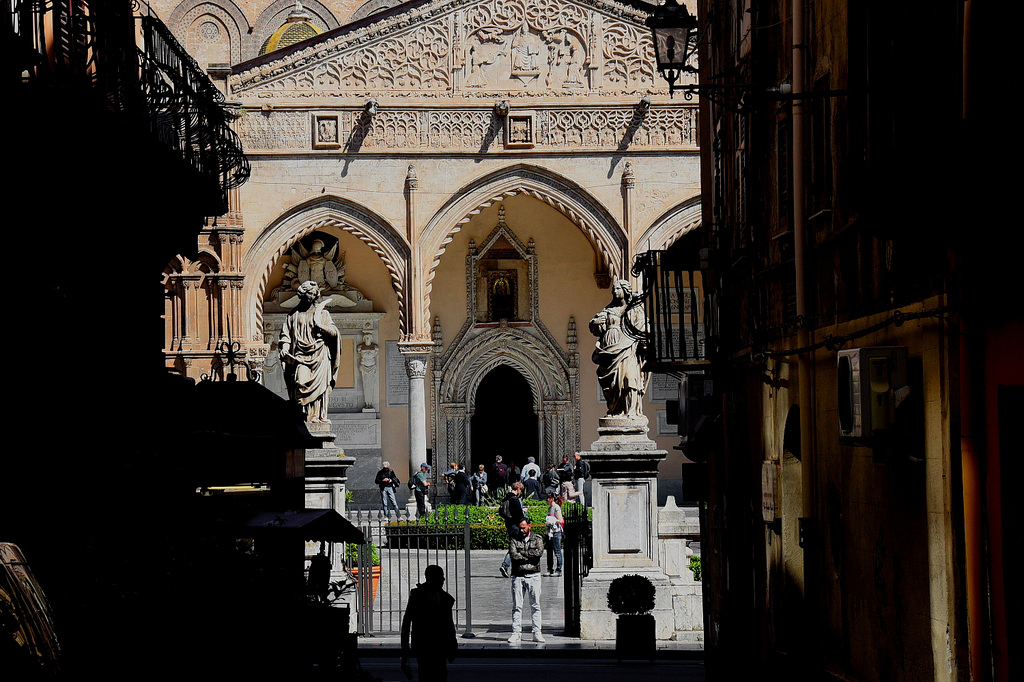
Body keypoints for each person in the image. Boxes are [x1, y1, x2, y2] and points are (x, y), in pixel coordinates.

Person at [279, 280, 341, 423]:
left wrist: (322, 326)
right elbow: (285, 335)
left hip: (320, 356)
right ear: (303, 295)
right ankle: (303, 418)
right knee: (301, 383)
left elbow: (334, 332)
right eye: (309, 294)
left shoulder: (323, 314)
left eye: (314, 294)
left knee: (320, 391)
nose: (312, 297)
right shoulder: (294, 314)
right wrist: (284, 348)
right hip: (300, 356)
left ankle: (317, 417)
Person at [590, 279, 649, 418]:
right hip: (609, 353)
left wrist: (644, 338)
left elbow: (643, 325)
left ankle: (631, 412)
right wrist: (596, 323)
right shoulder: (608, 310)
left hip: (629, 349)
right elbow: (595, 326)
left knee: (630, 378)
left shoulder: (634, 309)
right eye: (613, 290)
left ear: (625, 290)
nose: (615, 292)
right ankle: (616, 410)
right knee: (614, 385)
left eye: (618, 289)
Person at [401, 565, 458, 681]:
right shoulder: (444, 599)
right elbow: (449, 625)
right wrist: (452, 645)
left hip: (422, 645)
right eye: (441, 577)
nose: (443, 580)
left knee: (425, 675)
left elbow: (406, 624)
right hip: (437, 646)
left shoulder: (417, 596)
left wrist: (405, 651)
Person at [508, 518, 545, 644]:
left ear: (529, 526)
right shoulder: (514, 538)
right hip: (518, 575)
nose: (522, 530)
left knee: (535, 605)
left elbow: (539, 553)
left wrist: (522, 554)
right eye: (520, 527)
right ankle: (516, 633)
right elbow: (514, 555)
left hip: (534, 574)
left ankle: (537, 632)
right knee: (517, 606)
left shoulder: (537, 538)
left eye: (524, 527)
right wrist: (529, 554)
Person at [499, 482, 526, 577]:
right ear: (518, 489)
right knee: (517, 546)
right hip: (515, 525)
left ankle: (512, 567)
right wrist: (524, 520)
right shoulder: (514, 499)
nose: (520, 492)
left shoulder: (506, 498)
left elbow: (501, 512)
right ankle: (506, 565)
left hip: (508, 524)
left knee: (514, 544)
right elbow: (519, 515)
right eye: (520, 490)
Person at [544, 493, 564, 576]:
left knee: (557, 551)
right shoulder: (550, 508)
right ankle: (550, 569)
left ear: (552, 498)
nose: (547, 500)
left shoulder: (556, 508)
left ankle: (558, 569)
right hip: (549, 532)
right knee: (549, 552)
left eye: (548, 498)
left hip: (556, 532)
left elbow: (561, 520)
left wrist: (553, 520)